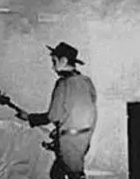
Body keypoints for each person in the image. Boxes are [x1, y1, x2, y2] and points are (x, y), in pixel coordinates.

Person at [15, 42, 97, 179]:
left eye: (54, 62)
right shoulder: (86, 81)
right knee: (58, 172)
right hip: (84, 137)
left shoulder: (63, 83)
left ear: (63, 61)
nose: (52, 67)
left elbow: (53, 116)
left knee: (72, 174)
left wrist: (29, 118)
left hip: (68, 141)